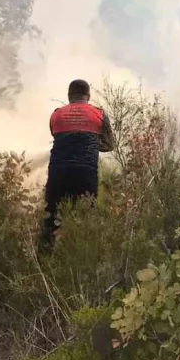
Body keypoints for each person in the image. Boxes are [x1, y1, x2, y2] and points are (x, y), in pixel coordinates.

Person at [39, 79, 115, 254]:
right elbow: (110, 145)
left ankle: (44, 260)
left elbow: (56, 134)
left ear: (69, 96)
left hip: (58, 172)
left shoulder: (56, 114)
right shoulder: (99, 114)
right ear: (88, 96)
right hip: (85, 173)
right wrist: (93, 144)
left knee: (51, 216)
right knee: (85, 216)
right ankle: (81, 258)